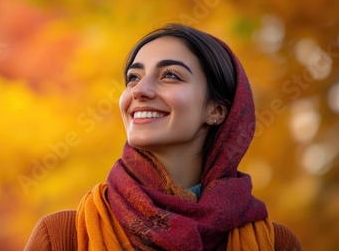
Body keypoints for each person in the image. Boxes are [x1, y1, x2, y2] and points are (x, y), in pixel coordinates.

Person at [24, 23, 302, 250]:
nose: (139, 90)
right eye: (133, 78)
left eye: (170, 75)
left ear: (215, 110)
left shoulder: (274, 244)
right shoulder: (63, 238)